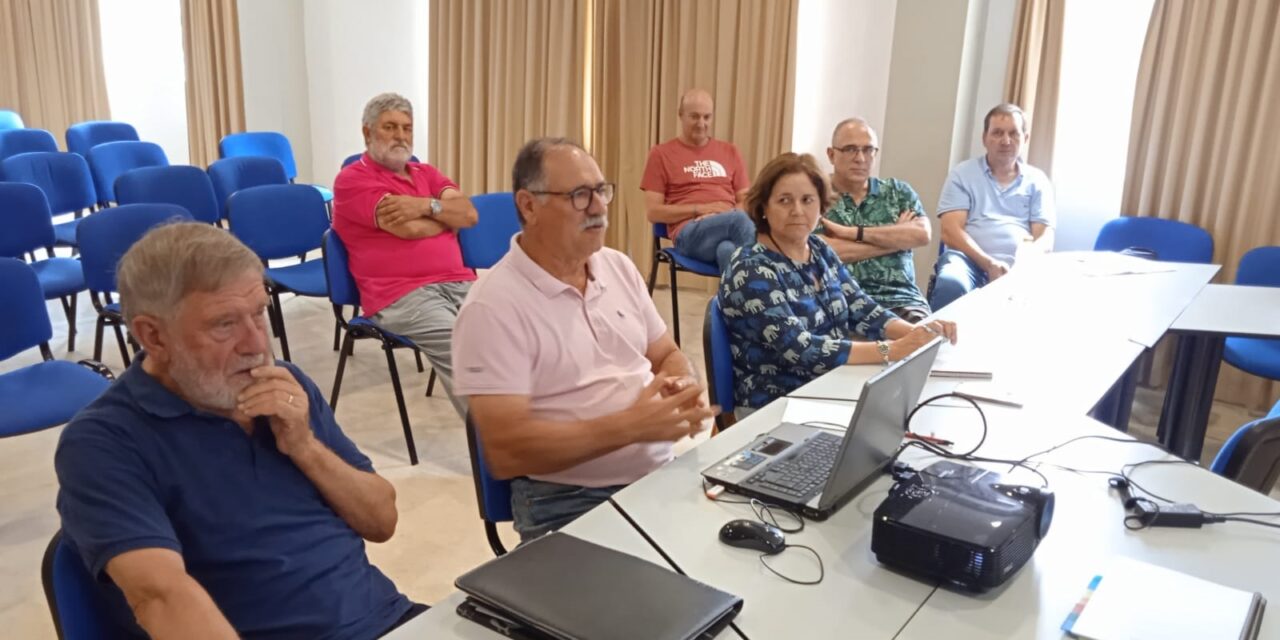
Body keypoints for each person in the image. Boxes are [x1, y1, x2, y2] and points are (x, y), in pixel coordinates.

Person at [54, 223, 421, 639]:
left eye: (259, 313)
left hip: (391, 621)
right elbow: (161, 597)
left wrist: (304, 446)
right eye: (224, 324)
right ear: (153, 335)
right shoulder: (103, 442)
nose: (256, 343)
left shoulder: (285, 384)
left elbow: (382, 521)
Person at [454, 138, 714, 542]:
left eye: (601, 190)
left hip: (659, 473)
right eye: (578, 195)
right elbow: (507, 452)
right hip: (566, 501)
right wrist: (632, 426)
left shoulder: (617, 266)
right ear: (528, 205)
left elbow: (666, 353)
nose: (598, 207)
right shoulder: (492, 306)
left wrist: (681, 388)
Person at [719, 153, 958, 412]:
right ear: (763, 208)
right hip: (777, 406)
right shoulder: (750, 268)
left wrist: (918, 333)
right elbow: (801, 349)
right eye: (784, 200)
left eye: (807, 200)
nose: (797, 211)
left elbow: (859, 306)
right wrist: (893, 349)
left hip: (831, 386)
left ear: (821, 206)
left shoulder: (818, 249)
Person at [333, 92, 478, 418]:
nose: (401, 136)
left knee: (512, 334)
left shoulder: (426, 173)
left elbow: (468, 215)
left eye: (407, 128)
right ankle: (501, 451)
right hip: (402, 294)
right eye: (390, 127)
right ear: (367, 133)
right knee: (465, 351)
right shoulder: (352, 180)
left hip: (459, 283)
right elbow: (408, 230)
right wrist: (445, 219)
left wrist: (425, 205)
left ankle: (543, 422)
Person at [929, 103, 1056, 310]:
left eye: (1014, 134)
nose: (1006, 141)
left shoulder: (1037, 180)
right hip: (968, 261)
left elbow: (1045, 238)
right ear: (984, 138)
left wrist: (1027, 261)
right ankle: (938, 341)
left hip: (1021, 266)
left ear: (1025, 138)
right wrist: (988, 263)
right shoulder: (962, 174)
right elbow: (950, 232)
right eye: (997, 133)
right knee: (951, 284)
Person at [818, 117, 932, 322]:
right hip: (839, 302)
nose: (860, 158)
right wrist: (896, 241)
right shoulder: (816, 195)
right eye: (850, 149)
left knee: (927, 340)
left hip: (901, 300)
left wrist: (853, 233)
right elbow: (823, 251)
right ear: (831, 154)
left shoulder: (897, 192)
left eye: (868, 150)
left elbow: (922, 234)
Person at [641, 88, 756, 272]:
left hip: (727, 224)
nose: (701, 123)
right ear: (681, 115)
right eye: (694, 117)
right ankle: (766, 289)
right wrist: (701, 210)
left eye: (707, 117)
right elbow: (653, 212)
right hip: (688, 233)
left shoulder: (730, 151)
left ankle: (732, 301)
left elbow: (746, 200)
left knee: (727, 250)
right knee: (740, 221)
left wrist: (723, 215)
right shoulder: (660, 154)